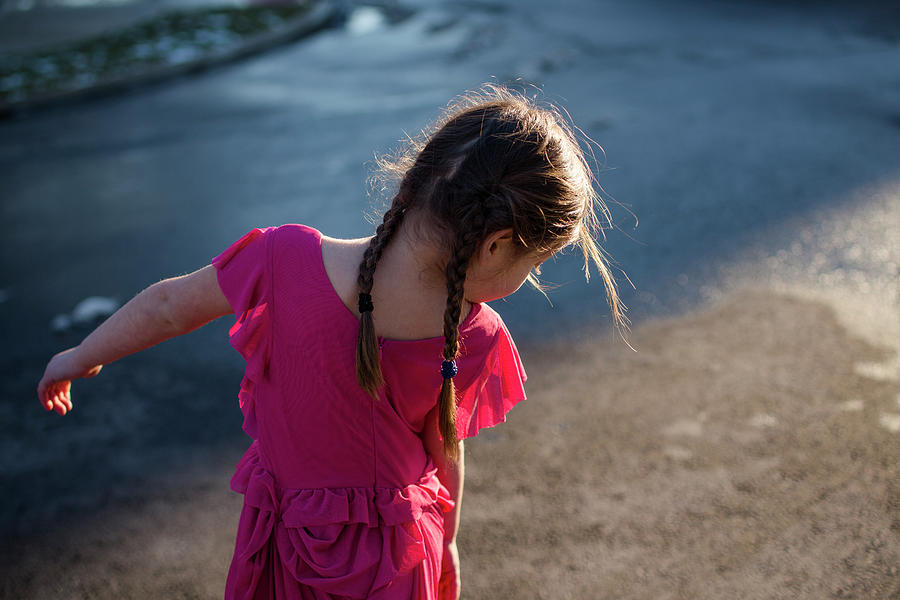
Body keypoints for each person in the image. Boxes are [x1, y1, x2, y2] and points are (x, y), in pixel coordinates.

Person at [36, 83, 626, 600]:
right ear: (494, 245)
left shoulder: (281, 258)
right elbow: (446, 455)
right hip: (395, 564)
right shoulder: (472, 335)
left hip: (283, 551)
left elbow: (168, 307)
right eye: (537, 263)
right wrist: (445, 548)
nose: (531, 280)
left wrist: (80, 355)